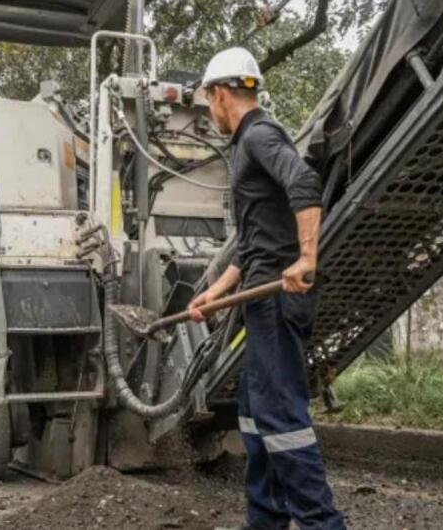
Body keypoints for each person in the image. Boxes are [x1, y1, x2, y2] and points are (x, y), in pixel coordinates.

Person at [187, 48, 345, 530]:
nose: (209, 112)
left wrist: (307, 259)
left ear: (219, 94)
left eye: (207, 102)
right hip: (260, 292)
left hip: (279, 297)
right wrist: (215, 291)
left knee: (282, 423)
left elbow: (304, 181)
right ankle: (265, 522)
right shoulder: (242, 146)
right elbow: (253, 243)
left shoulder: (260, 133)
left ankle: (323, 525)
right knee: (254, 417)